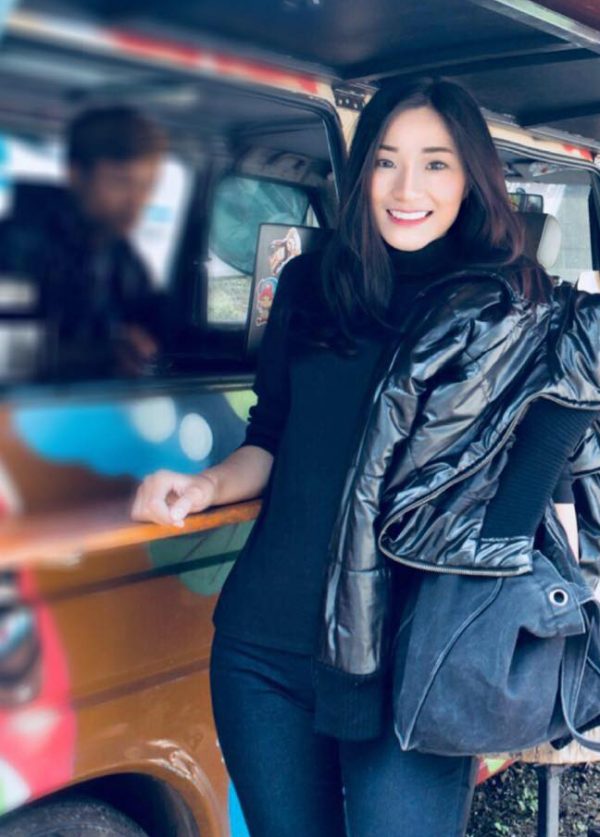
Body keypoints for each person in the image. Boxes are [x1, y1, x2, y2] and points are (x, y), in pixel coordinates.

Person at [131, 78, 600, 836]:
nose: (406, 188)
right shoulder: (311, 284)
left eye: (436, 163)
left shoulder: (518, 311)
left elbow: (520, 509)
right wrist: (204, 484)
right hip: (266, 648)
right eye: (385, 161)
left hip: (417, 663)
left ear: (473, 178)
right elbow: (272, 436)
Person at [0, 105, 168, 378]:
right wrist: (98, 355)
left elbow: (154, 323)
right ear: (76, 174)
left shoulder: (122, 256)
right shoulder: (14, 245)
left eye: (146, 185)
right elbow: (6, 352)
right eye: (120, 182)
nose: (136, 201)